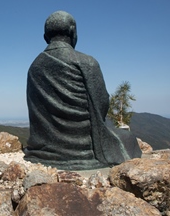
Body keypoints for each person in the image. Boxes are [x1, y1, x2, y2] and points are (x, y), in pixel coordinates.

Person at [24, 11, 141, 170]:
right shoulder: (86, 62)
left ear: (45, 37)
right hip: (85, 148)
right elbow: (101, 104)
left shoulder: (34, 67)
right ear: (73, 32)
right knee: (128, 138)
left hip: (43, 150)